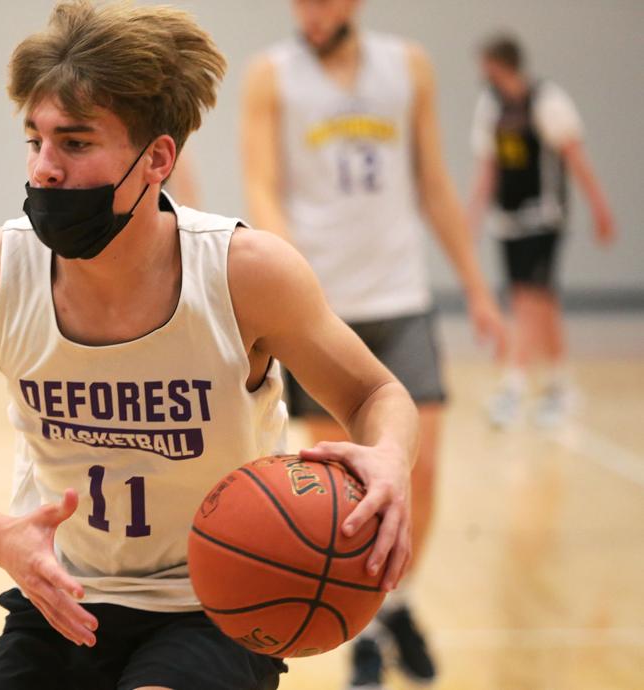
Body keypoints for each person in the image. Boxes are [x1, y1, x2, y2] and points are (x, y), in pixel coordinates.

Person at [0, 2, 418, 689]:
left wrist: (390, 459)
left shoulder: (244, 274)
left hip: (217, 603)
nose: (44, 168)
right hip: (58, 598)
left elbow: (376, 392)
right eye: (34, 139)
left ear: (156, 159)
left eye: (75, 144)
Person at [241, 1, 506, 687]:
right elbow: (262, 189)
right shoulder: (270, 75)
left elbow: (435, 183)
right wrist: (293, 288)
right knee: (344, 488)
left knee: (420, 469)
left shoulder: (406, 66)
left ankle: (398, 607)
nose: (311, 9)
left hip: (401, 297)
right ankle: (361, 625)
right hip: (322, 310)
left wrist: (477, 288)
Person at [468, 33, 615, 429]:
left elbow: (576, 158)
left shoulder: (547, 102)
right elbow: (488, 169)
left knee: (526, 298)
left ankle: (514, 389)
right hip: (508, 218)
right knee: (542, 303)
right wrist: (472, 221)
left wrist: (600, 210)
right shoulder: (491, 106)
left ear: (501, 65)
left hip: (544, 217)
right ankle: (560, 386)